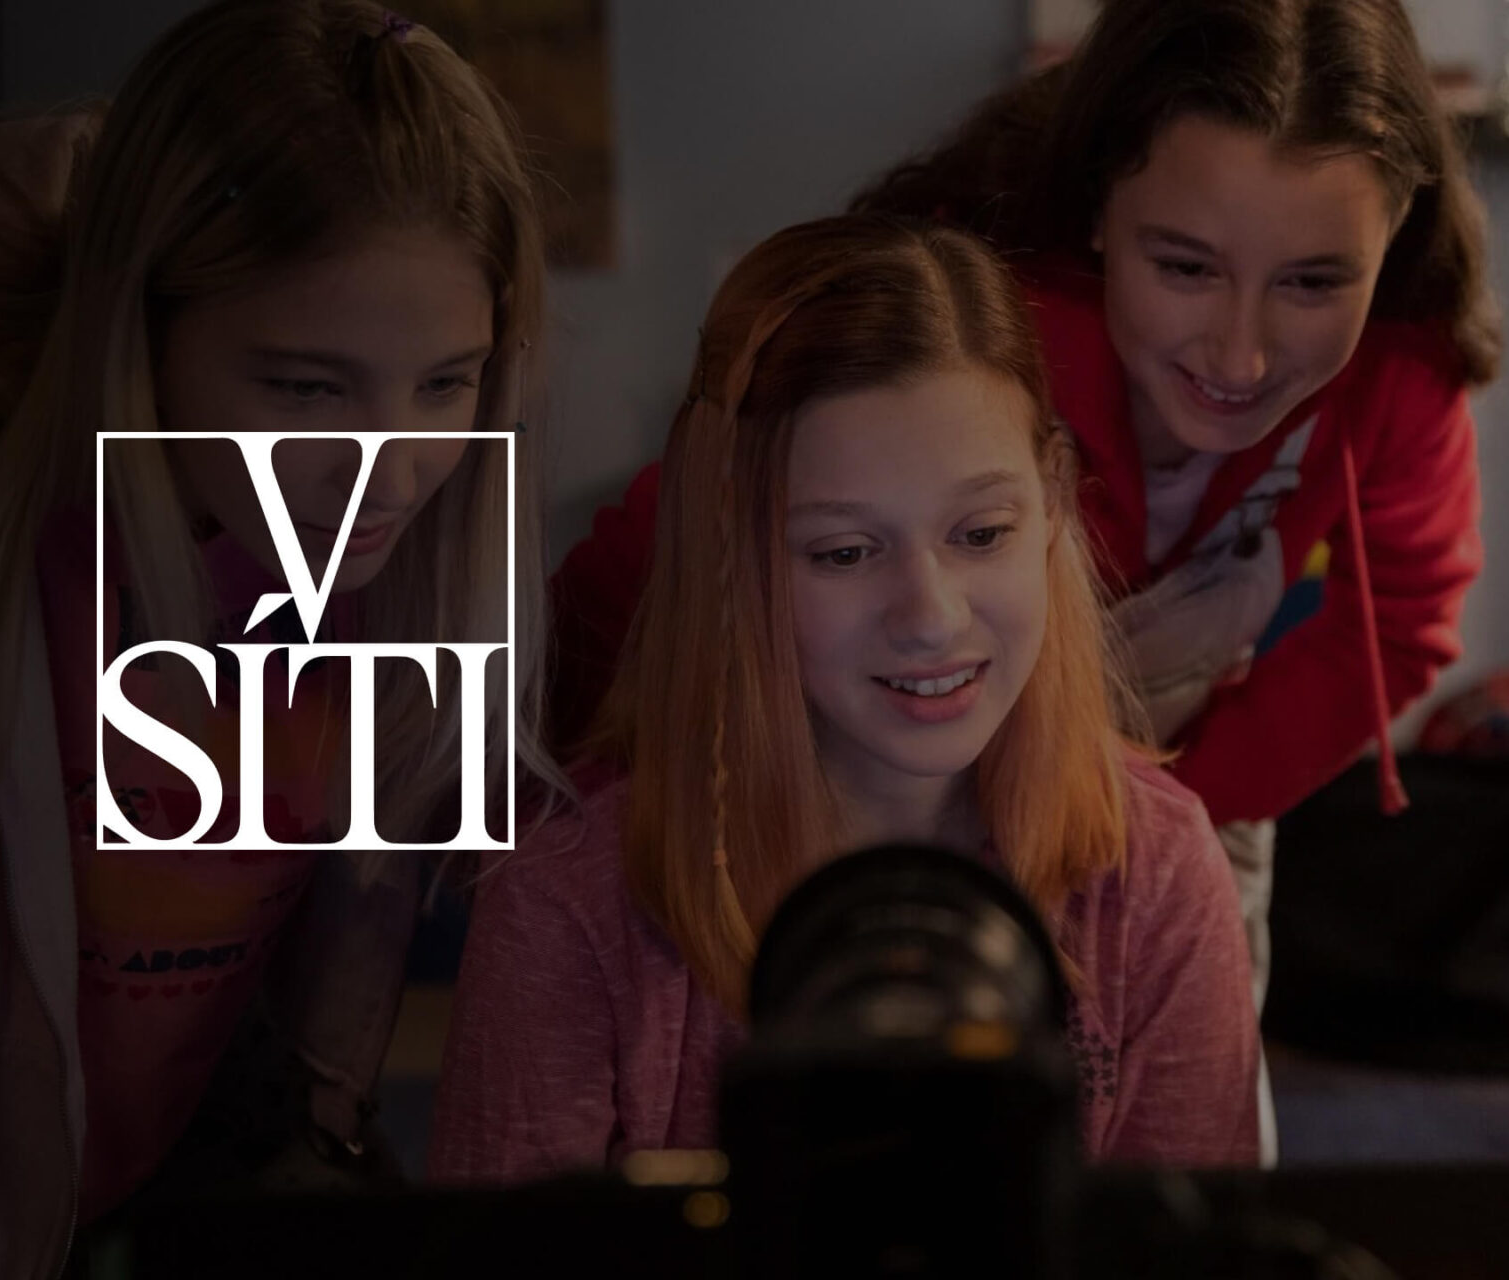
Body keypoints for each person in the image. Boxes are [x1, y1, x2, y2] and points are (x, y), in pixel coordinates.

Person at [551, 5, 1500, 1161]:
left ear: (1395, 238)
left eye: (1312, 282)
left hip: (1168, 802)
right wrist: (589, 815)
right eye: (1184, 267)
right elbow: (649, 569)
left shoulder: (1404, 366)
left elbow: (1397, 618)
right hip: (835, 806)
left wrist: (1154, 828)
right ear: (1097, 203)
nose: (1240, 354)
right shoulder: (963, 330)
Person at [0, 2, 551, 1273]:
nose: (391, 475)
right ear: (139, 332)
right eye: (306, 387)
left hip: (192, 1162)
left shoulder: (428, 534)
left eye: (445, 382)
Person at [430, 215, 1261, 1181]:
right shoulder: (567, 903)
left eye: (981, 534)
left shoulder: (1157, 876)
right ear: (732, 550)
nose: (931, 618)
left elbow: (1181, 1244)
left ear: (1053, 501)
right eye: (845, 552)